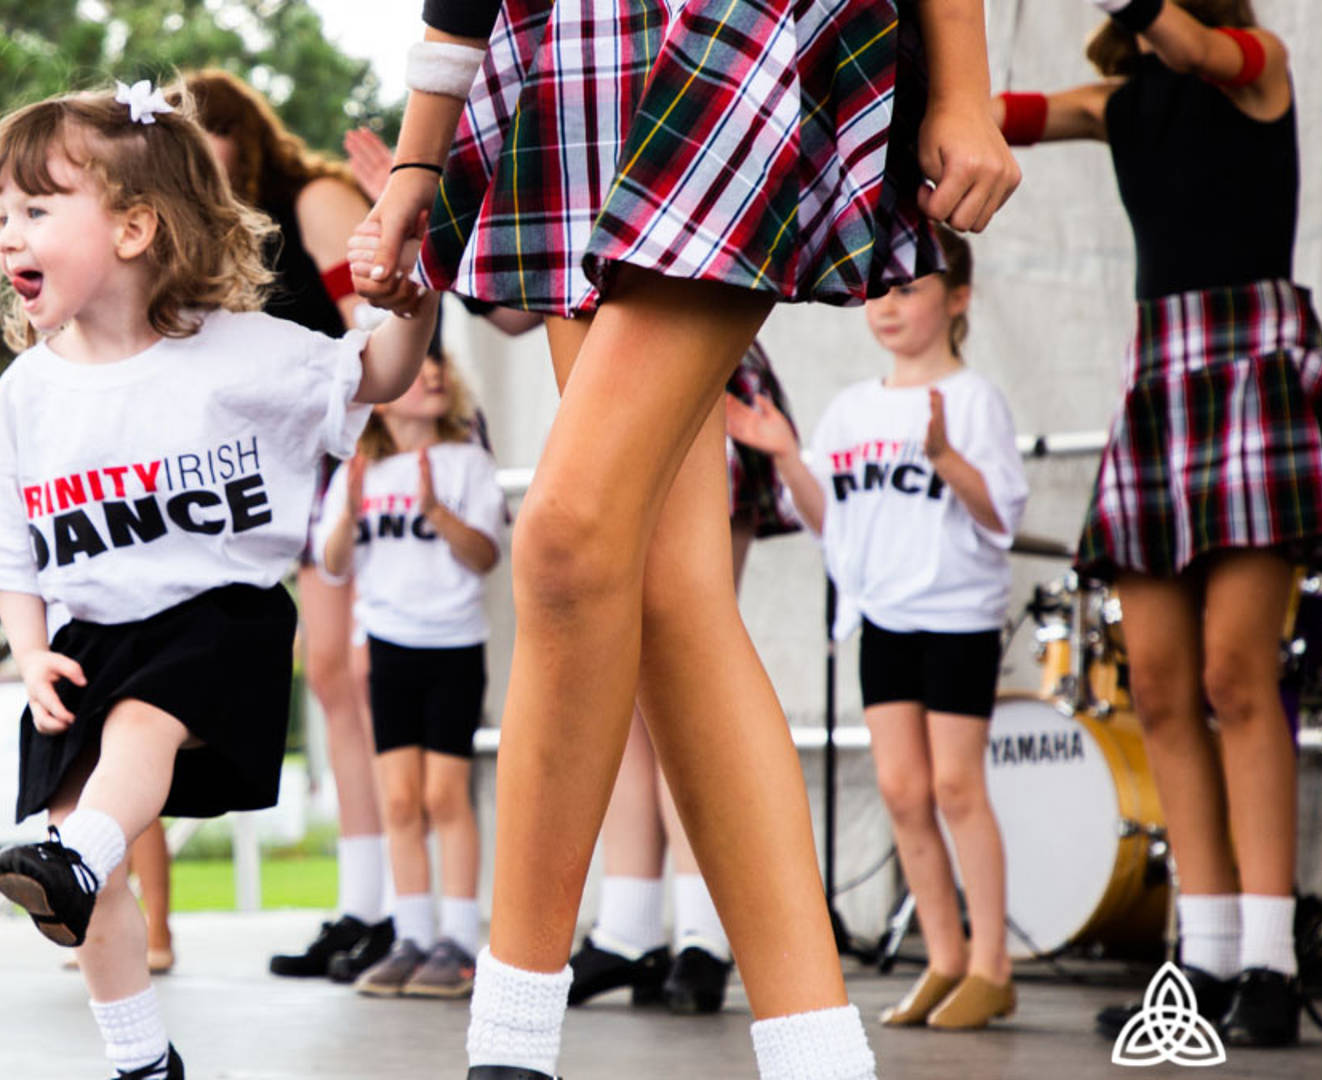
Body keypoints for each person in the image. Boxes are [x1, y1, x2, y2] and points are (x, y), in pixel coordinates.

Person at [351, 1, 1019, 1076]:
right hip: (577, 42)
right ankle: (817, 1055)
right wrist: (412, 165)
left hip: (739, 19)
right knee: (664, 592)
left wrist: (964, 87)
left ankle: (508, 1049)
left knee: (565, 540)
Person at [0, 81, 439, 1080]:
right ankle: (141, 1055)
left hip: (218, 620)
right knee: (84, 861)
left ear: (132, 227)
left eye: (37, 209)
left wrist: (412, 292)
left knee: (136, 736)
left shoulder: (238, 354)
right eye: (0, 217)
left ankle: (79, 855)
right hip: (92, 636)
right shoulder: (28, 393)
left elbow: (377, 374)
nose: (8, 236)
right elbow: (1, 543)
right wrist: (30, 652)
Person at [993, 0, 1322, 1048]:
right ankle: (1203, 955)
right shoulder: (1119, 104)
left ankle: (1272, 966)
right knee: (1155, 684)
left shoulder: (1257, 68)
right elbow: (1008, 115)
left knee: (1236, 675)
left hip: (1252, 375)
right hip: (1162, 384)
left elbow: (1197, 46)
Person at [731, 226, 1028, 1029]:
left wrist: (945, 458)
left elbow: (1002, 514)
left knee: (958, 787)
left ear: (957, 299)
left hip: (956, 614)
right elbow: (833, 525)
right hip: (882, 617)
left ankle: (992, 963)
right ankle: (944, 958)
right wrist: (787, 456)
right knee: (902, 791)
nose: (889, 306)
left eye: (910, 289)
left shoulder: (974, 400)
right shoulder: (851, 408)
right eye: (881, 291)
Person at [181, 69, 399, 981]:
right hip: (308, 471)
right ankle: (363, 904)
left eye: (202, 145)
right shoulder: (224, 239)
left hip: (375, 449)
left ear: (237, 136)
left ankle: (402, 907)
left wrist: (376, 461)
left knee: (361, 680)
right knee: (334, 689)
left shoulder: (313, 198)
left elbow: (374, 334)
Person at [568, 342, 803, 1017]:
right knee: (621, 673)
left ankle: (704, 932)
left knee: (682, 657)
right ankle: (630, 923)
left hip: (688, 359)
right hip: (610, 375)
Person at [315, 350, 507, 1000]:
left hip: (454, 649)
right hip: (390, 649)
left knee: (445, 797)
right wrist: (351, 509)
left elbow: (485, 556)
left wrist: (436, 511)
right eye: (417, 370)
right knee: (398, 801)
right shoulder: (359, 469)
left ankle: (457, 941)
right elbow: (333, 564)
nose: (431, 376)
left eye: (439, 369)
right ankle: (411, 936)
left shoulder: (468, 462)